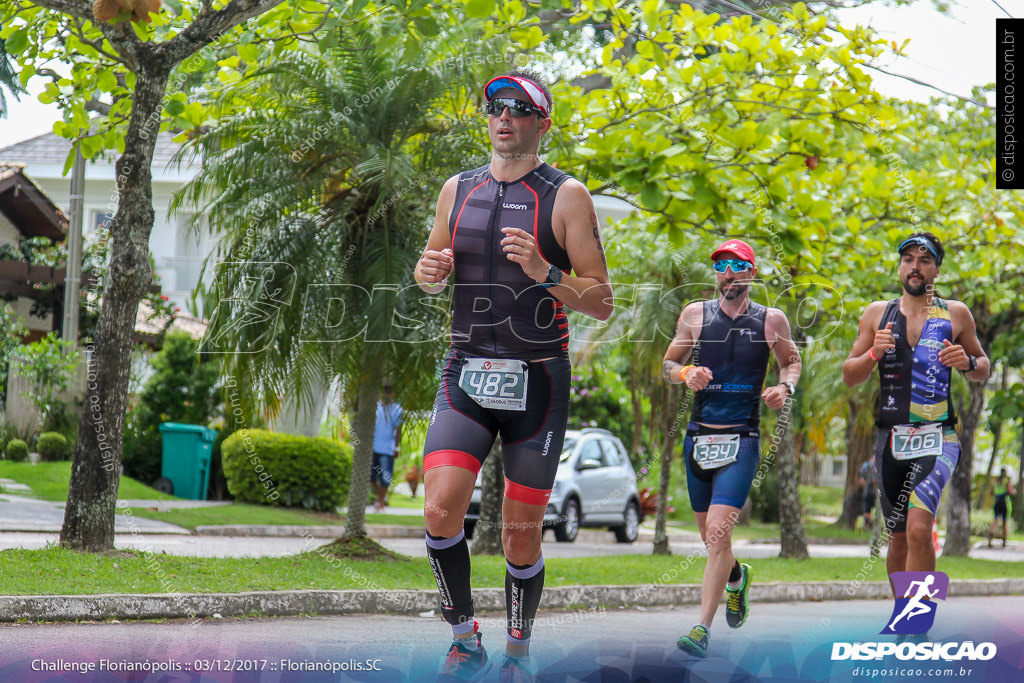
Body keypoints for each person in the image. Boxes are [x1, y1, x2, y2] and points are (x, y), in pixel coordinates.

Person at [414, 69, 612, 681]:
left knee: (520, 535)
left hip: (538, 382)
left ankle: (518, 651)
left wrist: (544, 272)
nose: (504, 117)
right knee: (441, 508)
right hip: (466, 371)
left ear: (541, 124)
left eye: (520, 108)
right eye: (497, 106)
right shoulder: (458, 189)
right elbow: (430, 266)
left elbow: (602, 299)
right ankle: (464, 635)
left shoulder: (566, 195)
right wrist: (429, 271)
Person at [662, 238, 802, 658]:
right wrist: (685, 371)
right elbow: (667, 365)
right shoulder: (694, 315)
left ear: (751, 273)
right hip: (698, 438)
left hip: (742, 439)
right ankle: (737, 578)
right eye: (720, 265)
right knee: (712, 540)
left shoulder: (771, 320)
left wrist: (783, 386)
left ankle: (701, 629)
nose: (727, 272)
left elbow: (791, 360)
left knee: (720, 534)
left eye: (736, 265)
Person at [843, 232, 990, 585]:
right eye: (908, 259)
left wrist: (966, 361)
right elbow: (850, 375)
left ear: (936, 270)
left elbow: (983, 366)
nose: (915, 267)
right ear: (900, 267)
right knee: (896, 537)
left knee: (920, 528)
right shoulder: (878, 313)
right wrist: (872, 354)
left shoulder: (955, 313)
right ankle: (903, 619)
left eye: (924, 260)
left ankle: (918, 619)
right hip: (890, 439)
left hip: (939, 437)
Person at [370, 385, 403, 512]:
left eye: (390, 393)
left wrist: (396, 447)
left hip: (387, 449)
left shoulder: (397, 410)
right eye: (385, 393)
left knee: (385, 478)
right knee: (370, 477)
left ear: (393, 395)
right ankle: (380, 498)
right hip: (372, 448)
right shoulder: (375, 407)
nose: (387, 395)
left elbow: (398, 431)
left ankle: (380, 502)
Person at [988, 468, 1016, 548]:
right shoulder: (1006, 481)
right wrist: (1014, 491)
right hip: (1004, 502)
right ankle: (1004, 541)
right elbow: (1010, 490)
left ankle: (990, 537)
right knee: (1004, 523)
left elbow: (991, 493)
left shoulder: (995, 482)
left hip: (997, 502)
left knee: (996, 521)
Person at [858, 459, 876, 531]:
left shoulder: (865, 465)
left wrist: (866, 484)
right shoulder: (879, 463)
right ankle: (870, 524)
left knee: (867, 509)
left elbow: (861, 480)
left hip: (868, 490)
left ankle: (867, 524)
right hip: (875, 490)